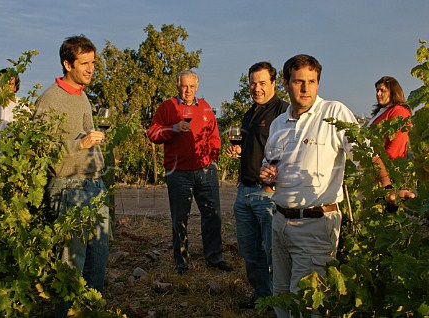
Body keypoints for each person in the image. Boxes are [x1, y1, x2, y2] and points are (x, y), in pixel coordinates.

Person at [259, 54, 416, 318]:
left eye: (312, 81)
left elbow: (366, 156)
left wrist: (388, 187)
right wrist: (267, 176)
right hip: (280, 223)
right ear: (286, 83)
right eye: (299, 81)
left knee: (308, 305)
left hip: (315, 225)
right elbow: (269, 167)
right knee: (282, 297)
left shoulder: (333, 113)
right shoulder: (277, 124)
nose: (306, 88)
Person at [33, 35, 110, 318]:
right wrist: (80, 144)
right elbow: (42, 155)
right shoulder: (50, 101)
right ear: (67, 64)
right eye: (84, 63)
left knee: (96, 265)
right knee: (70, 269)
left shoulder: (83, 97)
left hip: (94, 187)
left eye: (93, 63)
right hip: (69, 190)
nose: (91, 69)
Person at [147, 69, 232, 275]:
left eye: (192, 86)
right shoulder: (167, 107)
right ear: (178, 86)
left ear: (197, 87)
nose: (188, 90)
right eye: (184, 86)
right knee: (180, 218)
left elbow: (214, 136)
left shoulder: (204, 108)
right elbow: (153, 133)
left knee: (212, 215)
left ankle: (214, 257)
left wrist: (212, 158)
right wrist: (173, 129)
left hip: (205, 171)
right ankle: (182, 262)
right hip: (178, 173)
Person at [225, 61, 288, 306]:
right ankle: (262, 297)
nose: (257, 88)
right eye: (252, 83)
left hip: (267, 194)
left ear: (273, 83)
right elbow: (257, 148)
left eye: (262, 83)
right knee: (250, 251)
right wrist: (239, 151)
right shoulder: (250, 113)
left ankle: (279, 301)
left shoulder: (283, 111)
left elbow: (289, 153)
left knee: (274, 252)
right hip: (244, 191)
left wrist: (272, 186)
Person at [367, 76, 412, 160]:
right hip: (374, 166)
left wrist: (383, 168)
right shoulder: (381, 112)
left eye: (382, 90)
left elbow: (397, 146)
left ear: (392, 92)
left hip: (385, 167)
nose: (378, 94)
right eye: (377, 90)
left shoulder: (399, 112)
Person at [0, 68, 24, 147]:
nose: (6, 87)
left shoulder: (23, 107)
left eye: (10, 84)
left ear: (15, 87)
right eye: (3, 83)